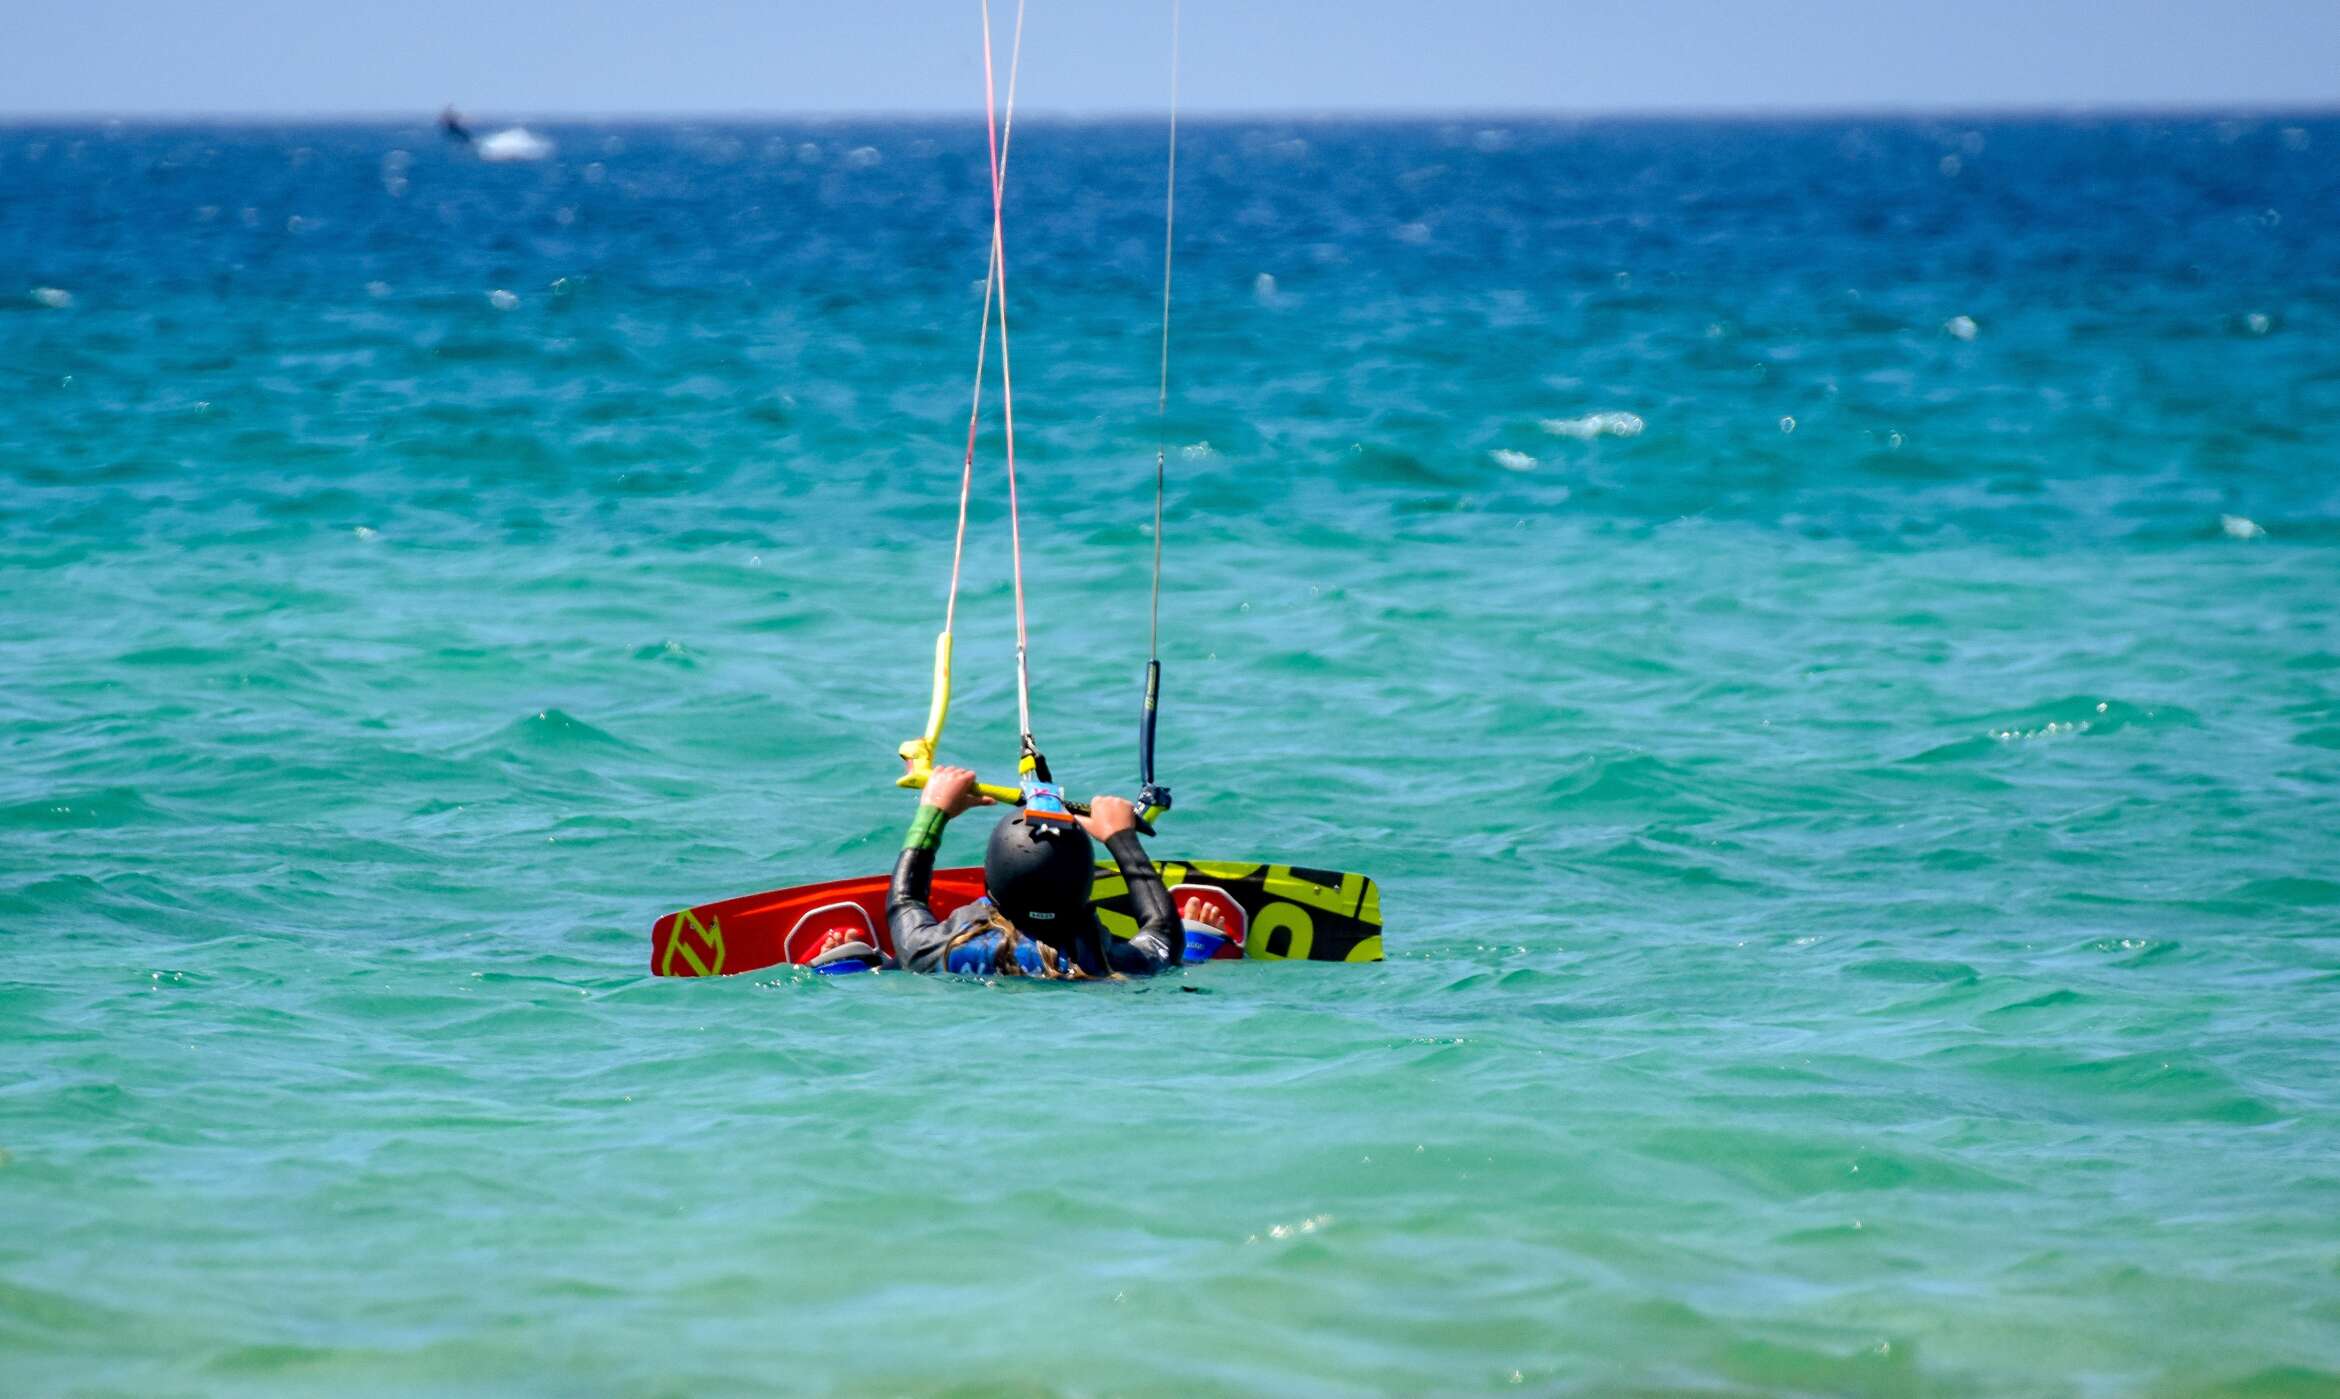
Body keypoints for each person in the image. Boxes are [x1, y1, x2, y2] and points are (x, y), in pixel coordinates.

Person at [875, 765, 1190, 978]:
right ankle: (1206, 936)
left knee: (872, 962)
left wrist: (933, 812)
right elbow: (1165, 939)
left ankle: (851, 959)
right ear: (1084, 884)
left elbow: (905, 902)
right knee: (1195, 945)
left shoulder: (935, 950)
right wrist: (1121, 838)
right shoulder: (1108, 961)